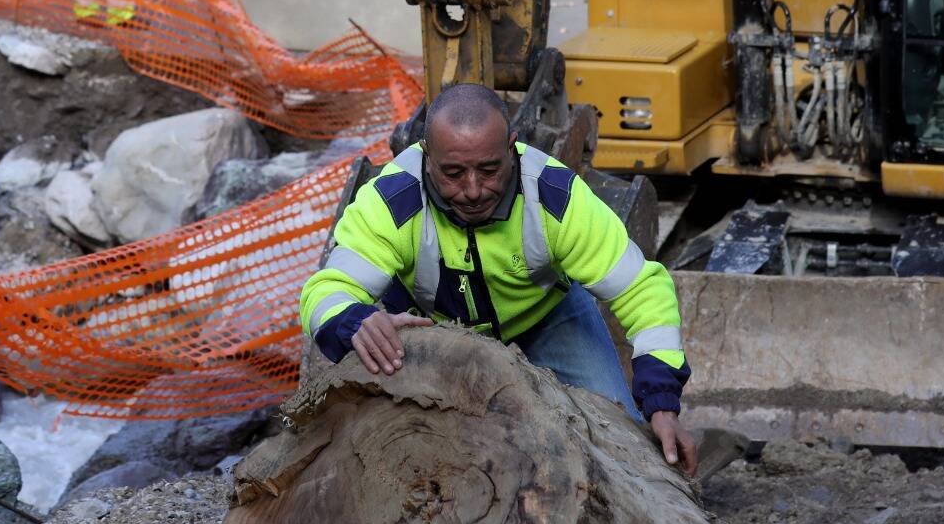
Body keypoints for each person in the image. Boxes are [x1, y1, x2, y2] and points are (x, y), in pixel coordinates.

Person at [299, 83, 699, 474]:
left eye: (489, 170)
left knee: (622, 452)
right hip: (434, 337)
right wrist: (356, 322)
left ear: (511, 147)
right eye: (453, 173)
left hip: (548, 320)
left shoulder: (555, 196)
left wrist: (661, 401)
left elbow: (641, 288)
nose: (473, 190)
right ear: (426, 156)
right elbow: (326, 289)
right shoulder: (392, 200)